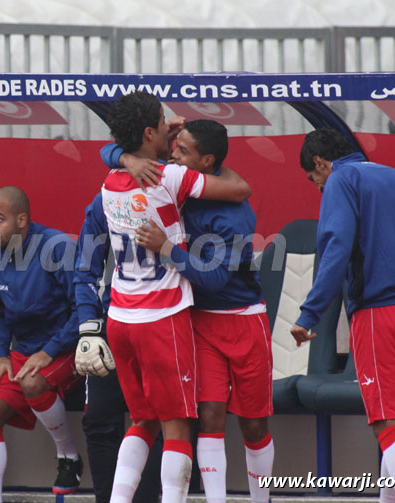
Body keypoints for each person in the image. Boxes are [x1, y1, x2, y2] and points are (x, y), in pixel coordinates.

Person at [105, 120, 274, 503]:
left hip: (244, 318)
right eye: (173, 146)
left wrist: (168, 249)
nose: (173, 153)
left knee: (253, 423)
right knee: (209, 414)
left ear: (207, 160)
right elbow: (110, 151)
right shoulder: (173, 184)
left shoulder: (235, 213)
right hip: (196, 321)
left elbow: (214, 280)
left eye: (182, 150)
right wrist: (125, 157)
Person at [290, 128, 395, 503]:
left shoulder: (341, 179)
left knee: (387, 423)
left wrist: (309, 314)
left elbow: (336, 248)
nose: (318, 187)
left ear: (321, 163)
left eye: (313, 178)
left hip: (378, 314)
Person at [0, 186, 82, 502]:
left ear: (21, 220)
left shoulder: (57, 247)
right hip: (25, 351)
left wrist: (50, 351)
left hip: (67, 347)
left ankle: (68, 456)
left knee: (34, 383)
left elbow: (85, 310)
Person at [73, 192, 163, 503]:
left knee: (162, 421)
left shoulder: (178, 187)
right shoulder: (107, 196)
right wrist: (89, 327)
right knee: (98, 419)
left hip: (164, 321)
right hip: (116, 321)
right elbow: (85, 269)